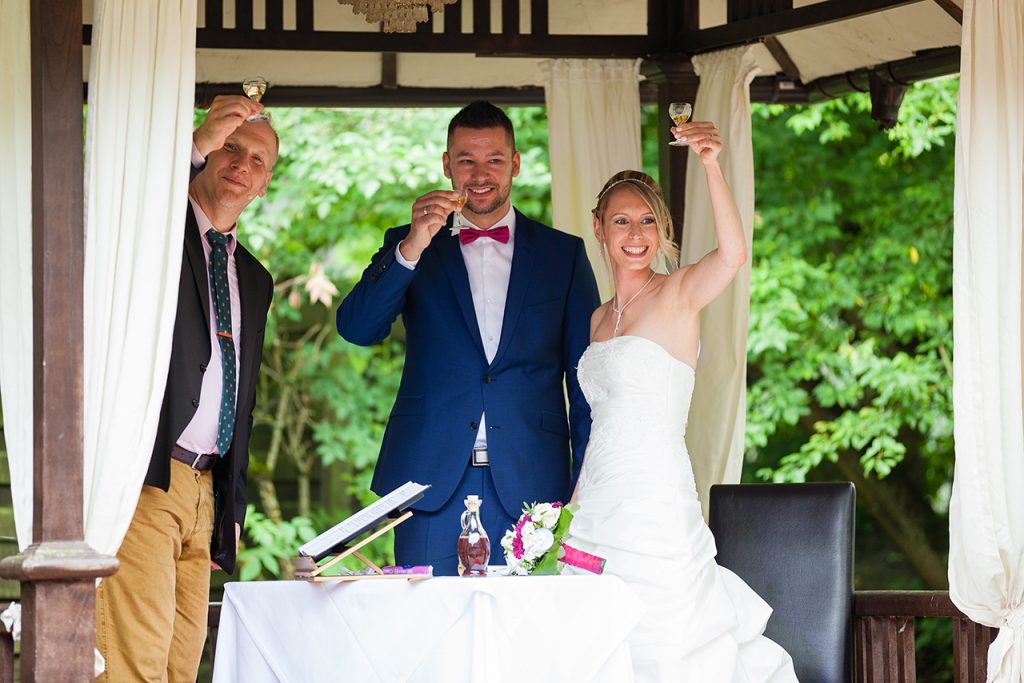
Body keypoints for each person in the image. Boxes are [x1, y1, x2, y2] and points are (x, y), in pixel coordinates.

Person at [564, 122, 798, 681]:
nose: (636, 233)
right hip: (595, 502)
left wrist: (710, 164)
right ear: (599, 228)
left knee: (661, 634)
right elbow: (600, 425)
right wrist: (569, 509)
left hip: (655, 502)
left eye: (648, 220)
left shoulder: (679, 293)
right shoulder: (598, 318)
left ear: (662, 228)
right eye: (622, 220)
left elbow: (734, 254)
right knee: (590, 635)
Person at [337, 101, 600, 575]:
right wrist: (413, 245)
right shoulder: (410, 243)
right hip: (427, 482)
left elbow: (586, 385)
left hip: (533, 486)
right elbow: (357, 329)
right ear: (446, 165)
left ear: (515, 164)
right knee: (428, 633)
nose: (480, 175)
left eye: (494, 160)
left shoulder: (564, 255)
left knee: (524, 637)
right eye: (466, 161)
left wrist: (584, 487)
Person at [95, 95, 276, 682]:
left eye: (258, 160)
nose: (242, 163)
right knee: (133, 663)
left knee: (180, 665)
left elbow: (242, 400)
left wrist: (234, 503)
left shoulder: (255, 276)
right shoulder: (152, 235)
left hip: (208, 489)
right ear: (205, 156)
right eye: (231, 148)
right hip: (148, 476)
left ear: (265, 187)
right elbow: (133, 204)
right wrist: (197, 139)